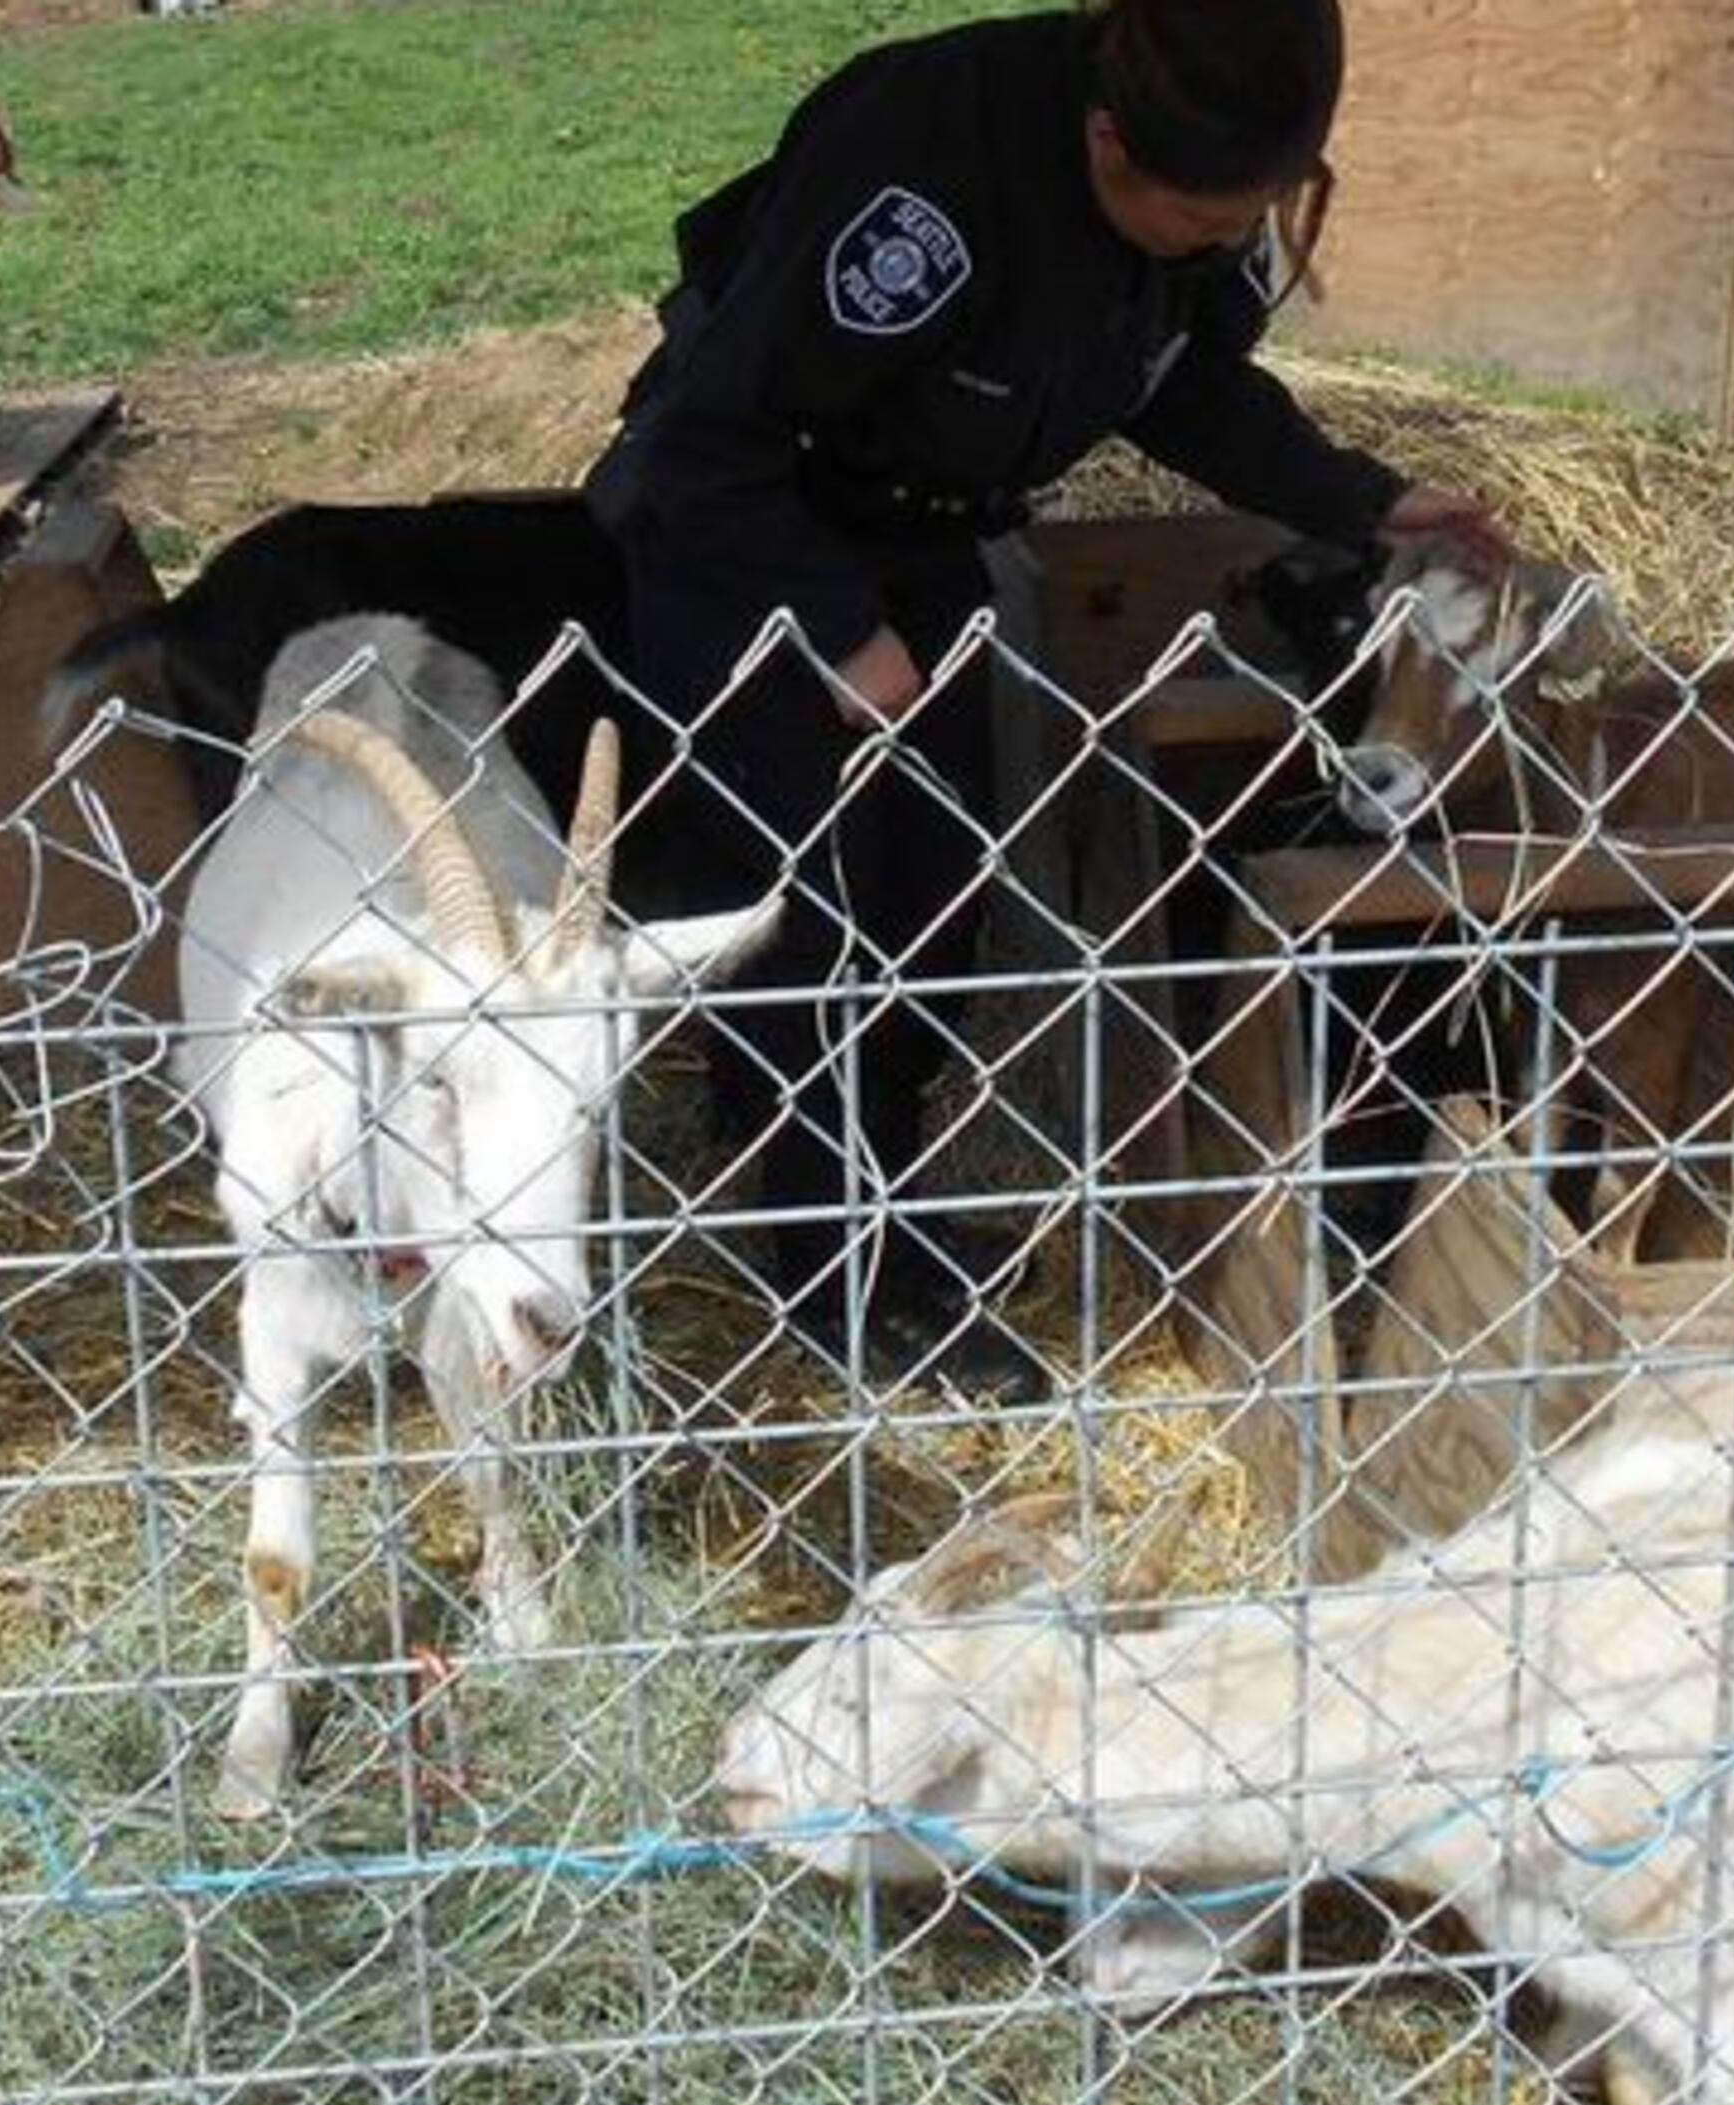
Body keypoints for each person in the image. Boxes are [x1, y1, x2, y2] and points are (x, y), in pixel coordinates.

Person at [583, 0, 1506, 1399]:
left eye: (1246, 218)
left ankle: (858, 1204)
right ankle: (833, 1278)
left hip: (926, 531)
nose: (1218, 244)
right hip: (758, 529)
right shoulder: (921, 182)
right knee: (826, 914)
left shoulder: (1188, 190)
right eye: (1196, 217)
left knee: (929, 909)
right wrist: (838, 632)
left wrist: (1362, 497)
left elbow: (1180, 385)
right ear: (1102, 139)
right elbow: (706, 446)